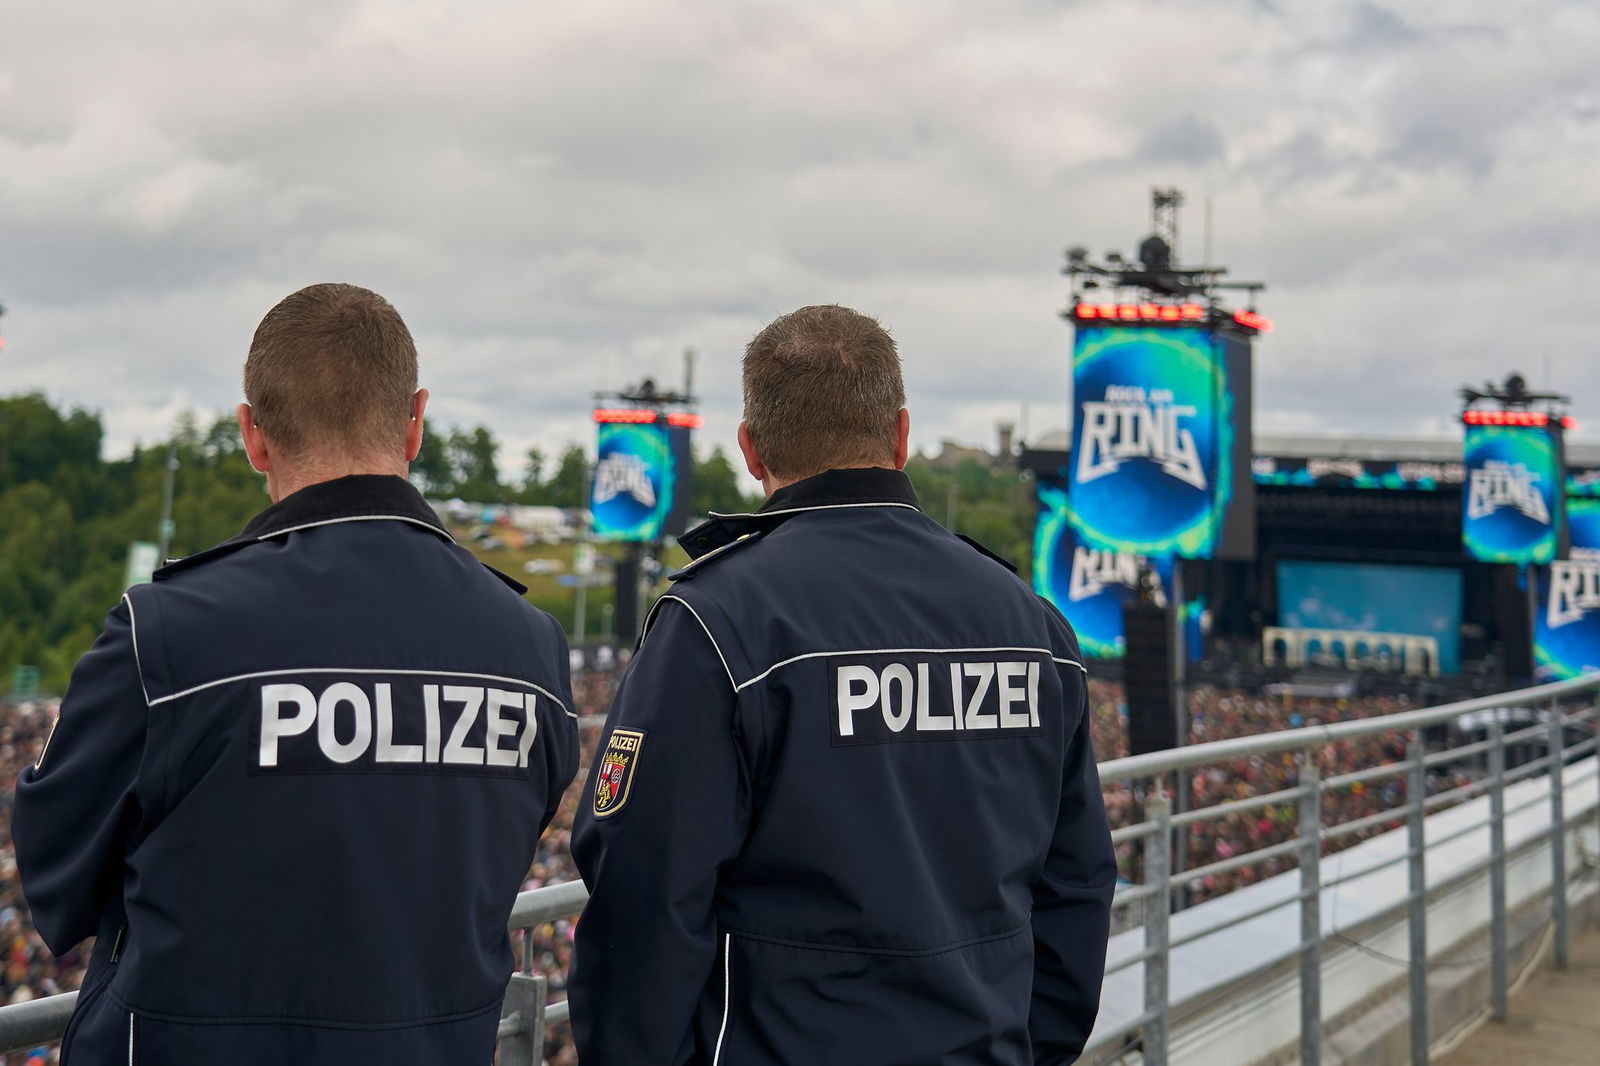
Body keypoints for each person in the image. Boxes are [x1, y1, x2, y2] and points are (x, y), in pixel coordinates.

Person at [12, 284, 578, 1064]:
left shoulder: (166, 633)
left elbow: (55, 875)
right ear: (415, 422)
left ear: (252, 434)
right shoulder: (532, 647)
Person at [569, 304, 1116, 1065]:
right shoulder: (1032, 622)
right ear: (900, 437)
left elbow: (643, 893)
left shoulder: (718, 616)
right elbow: (1078, 885)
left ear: (751, 450)